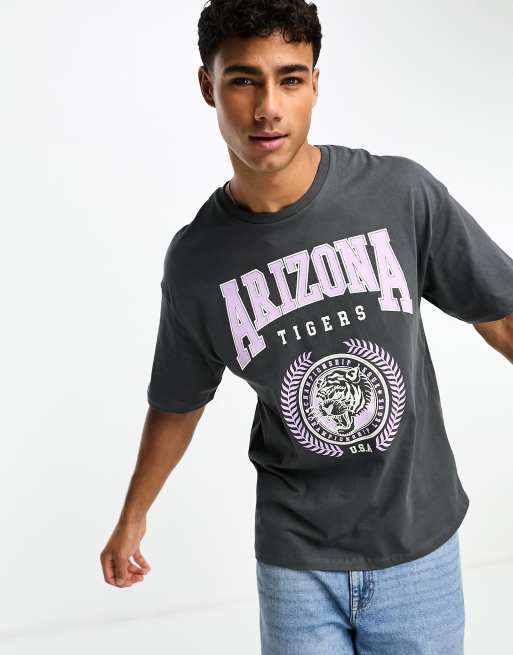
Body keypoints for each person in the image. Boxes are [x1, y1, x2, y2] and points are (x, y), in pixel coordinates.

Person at [100, 1, 513, 653]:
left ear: (314, 84)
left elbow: (501, 315)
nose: (268, 107)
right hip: (296, 559)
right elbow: (179, 400)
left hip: (418, 544)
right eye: (244, 80)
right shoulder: (198, 260)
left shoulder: (399, 195)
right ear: (208, 86)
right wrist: (133, 514)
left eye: (289, 79)